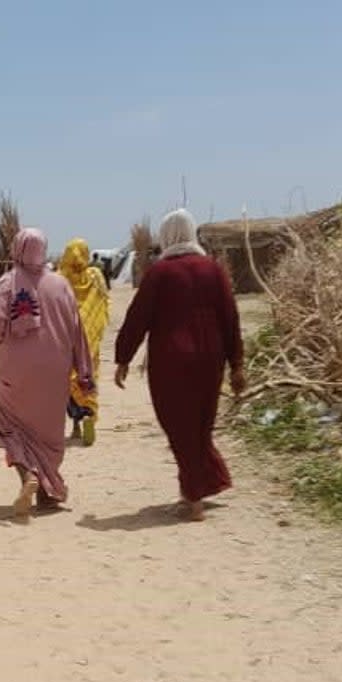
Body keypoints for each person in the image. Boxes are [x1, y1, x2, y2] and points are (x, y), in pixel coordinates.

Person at [113, 208, 245, 521]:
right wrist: (237, 362)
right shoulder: (213, 270)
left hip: (171, 360)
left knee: (179, 427)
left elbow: (138, 318)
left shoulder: (160, 273)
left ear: (167, 235)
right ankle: (197, 487)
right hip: (211, 359)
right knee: (200, 425)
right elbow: (231, 318)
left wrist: (123, 358)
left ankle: (194, 499)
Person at [0, 228, 95, 519]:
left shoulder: (7, 284)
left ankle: (28, 476)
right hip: (56, 371)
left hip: (16, 372)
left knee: (8, 424)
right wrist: (82, 367)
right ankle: (47, 494)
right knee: (48, 433)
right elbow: (76, 329)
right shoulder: (61, 285)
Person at [58, 238, 111, 446]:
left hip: (67, 339)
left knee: (68, 381)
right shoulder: (95, 275)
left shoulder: (60, 279)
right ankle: (89, 413)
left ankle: (76, 427)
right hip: (89, 341)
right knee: (88, 376)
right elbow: (104, 301)